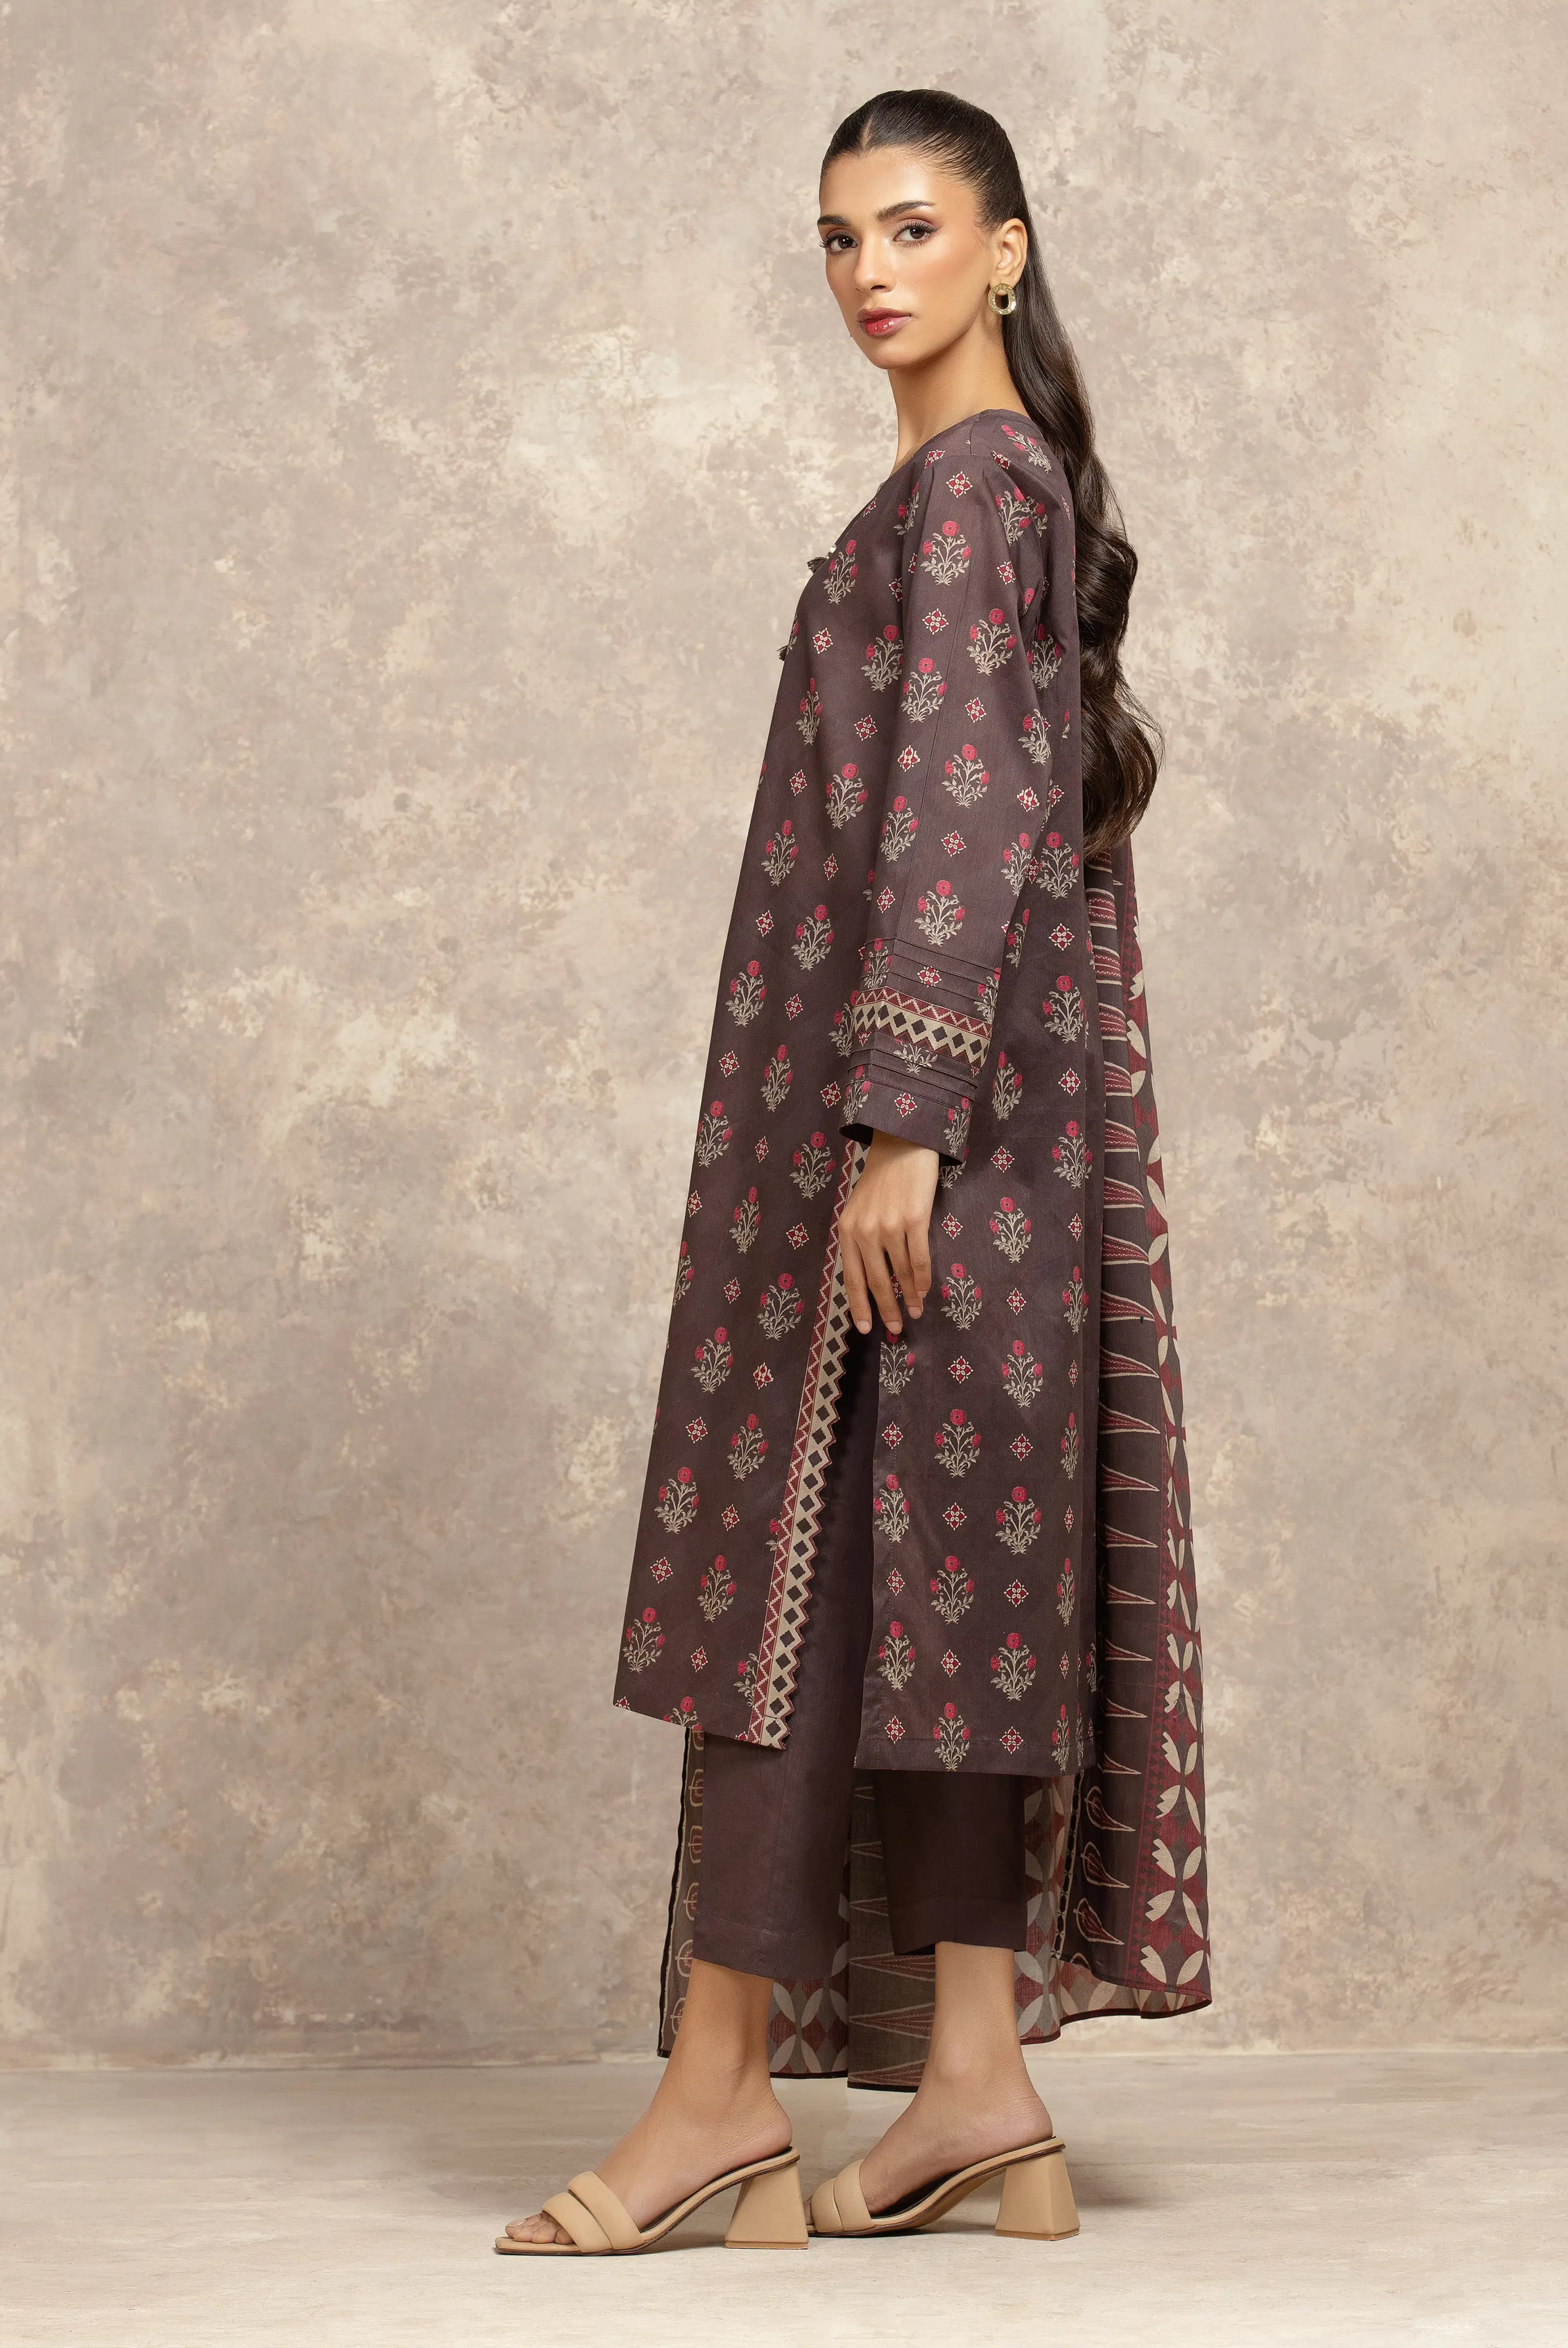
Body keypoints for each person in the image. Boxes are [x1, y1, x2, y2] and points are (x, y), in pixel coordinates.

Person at [499, 85, 1209, 2259]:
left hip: (916, 1142)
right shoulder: (976, 487)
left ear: (1007, 250)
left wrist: (901, 1124)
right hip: (978, 1139)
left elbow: (967, 814)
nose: (869, 273)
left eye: (911, 227)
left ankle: (717, 2102)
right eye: (837, 237)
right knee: (936, 1602)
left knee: (786, 1597)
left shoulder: (975, 488)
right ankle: (975, 2088)